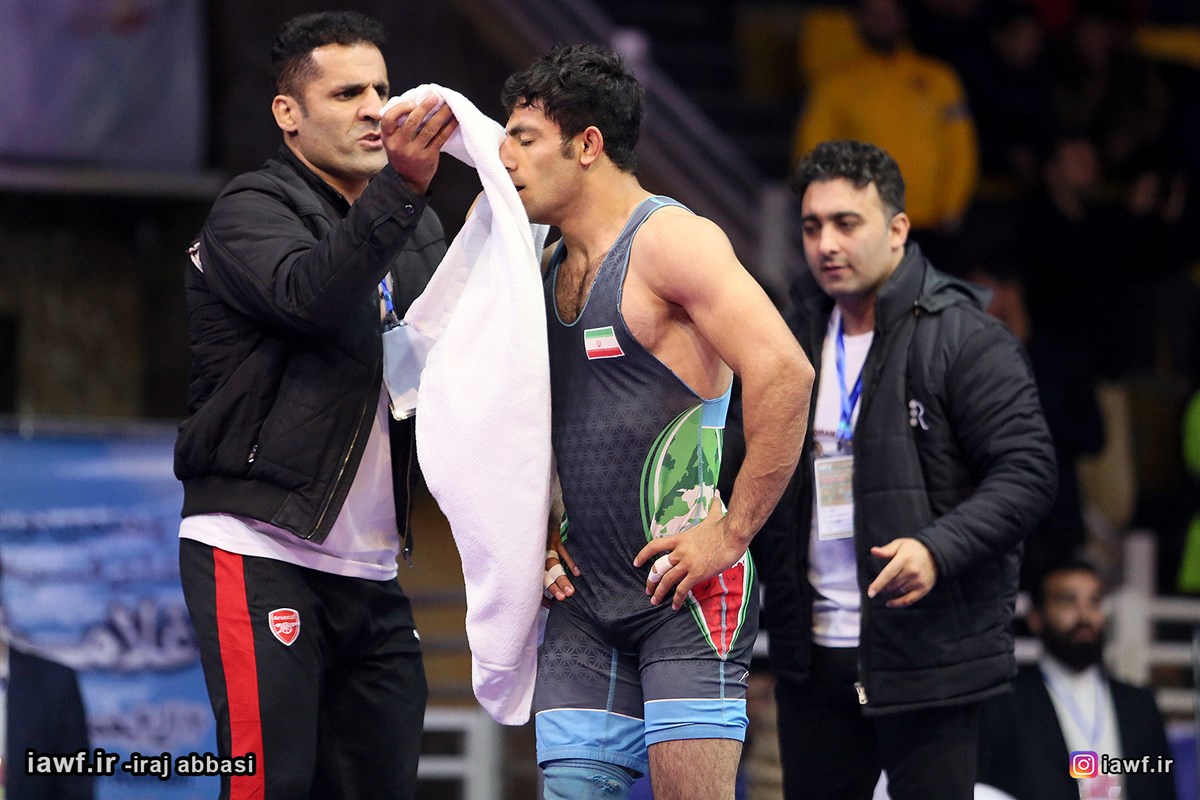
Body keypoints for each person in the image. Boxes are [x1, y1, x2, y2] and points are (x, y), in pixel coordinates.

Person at [499, 44, 814, 800]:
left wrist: (732, 533)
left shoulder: (672, 241)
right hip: (582, 601)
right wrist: (536, 528)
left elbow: (786, 373)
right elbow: (527, 423)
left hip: (687, 595)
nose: (504, 157)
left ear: (587, 145)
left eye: (524, 138)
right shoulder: (542, 265)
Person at [173, 11, 457, 799]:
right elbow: (311, 296)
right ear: (288, 113)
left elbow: (459, 374)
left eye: (382, 89)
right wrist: (403, 188)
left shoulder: (419, 227)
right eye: (346, 93)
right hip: (258, 547)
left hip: (371, 567)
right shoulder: (249, 210)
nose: (375, 109)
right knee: (269, 786)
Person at [721, 139, 1056, 800]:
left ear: (898, 229)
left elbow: (1028, 472)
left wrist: (937, 550)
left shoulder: (965, 335)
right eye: (812, 226)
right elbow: (740, 462)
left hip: (927, 657)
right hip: (810, 659)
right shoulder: (788, 338)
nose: (826, 244)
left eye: (847, 223)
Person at [792, 0, 979, 262]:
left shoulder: (939, 79)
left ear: (903, 16)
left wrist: (952, 206)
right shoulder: (835, 84)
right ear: (859, 19)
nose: (882, 19)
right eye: (873, 12)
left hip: (930, 223)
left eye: (889, 11)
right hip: (863, 225)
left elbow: (960, 147)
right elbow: (813, 151)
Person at [976, 560, 1177, 800]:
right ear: (1036, 618)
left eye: (1094, 601)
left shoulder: (1139, 705)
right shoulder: (1004, 704)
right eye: (1068, 601)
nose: (1084, 615)